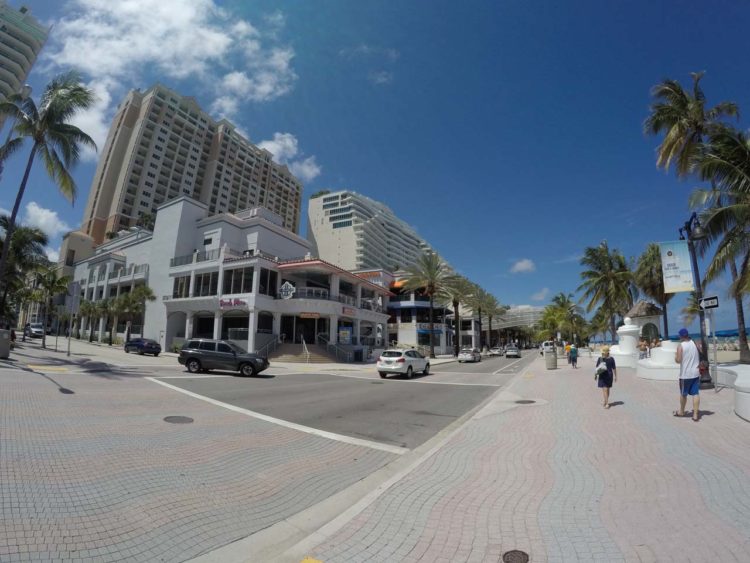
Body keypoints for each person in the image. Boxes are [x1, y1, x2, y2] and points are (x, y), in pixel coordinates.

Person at [675, 327, 701, 421]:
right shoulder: (694, 342)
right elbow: (700, 351)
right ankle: (695, 415)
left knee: (683, 394)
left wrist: (675, 356)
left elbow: (678, 360)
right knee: (695, 393)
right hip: (695, 373)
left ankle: (681, 412)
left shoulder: (680, 346)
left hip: (685, 375)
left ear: (681, 336)